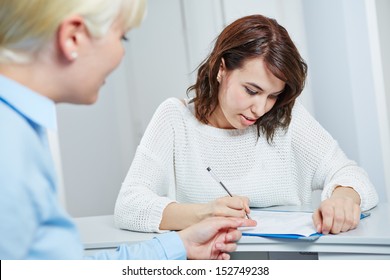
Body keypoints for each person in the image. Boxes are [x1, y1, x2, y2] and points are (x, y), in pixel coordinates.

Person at [0, 0, 256, 260]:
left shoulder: (21, 131)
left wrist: (180, 245)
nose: (121, 53)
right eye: (122, 36)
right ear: (73, 37)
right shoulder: (8, 143)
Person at [114, 14, 379, 235]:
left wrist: (344, 198)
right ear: (221, 69)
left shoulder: (288, 117)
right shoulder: (175, 119)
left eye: (273, 95)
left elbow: (352, 175)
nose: (261, 108)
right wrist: (203, 213)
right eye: (251, 91)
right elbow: (128, 206)